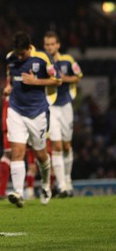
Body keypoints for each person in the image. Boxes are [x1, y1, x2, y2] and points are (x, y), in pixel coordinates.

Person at [5, 31, 62, 208]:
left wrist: (35, 81)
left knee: (40, 154)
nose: (20, 57)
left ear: (30, 48)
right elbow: (10, 75)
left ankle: (46, 186)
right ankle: (18, 192)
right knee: (17, 151)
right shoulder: (10, 58)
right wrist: (8, 86)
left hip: (37, 112)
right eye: (18, 53)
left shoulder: (43, 58)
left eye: (23, 53)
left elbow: (57, 80)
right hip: (16, 110)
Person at [43, 31, 83, 197]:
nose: (50, 47)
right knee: (56, 146)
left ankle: (67, 179)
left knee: (67, 146)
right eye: (47, 44)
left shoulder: (68, 60)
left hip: (66, 106)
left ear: (58, 45)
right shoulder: (43, 62)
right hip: (51, 106)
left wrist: (63, 79)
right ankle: (62, 186)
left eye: (52, 44)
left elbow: (78, 76)